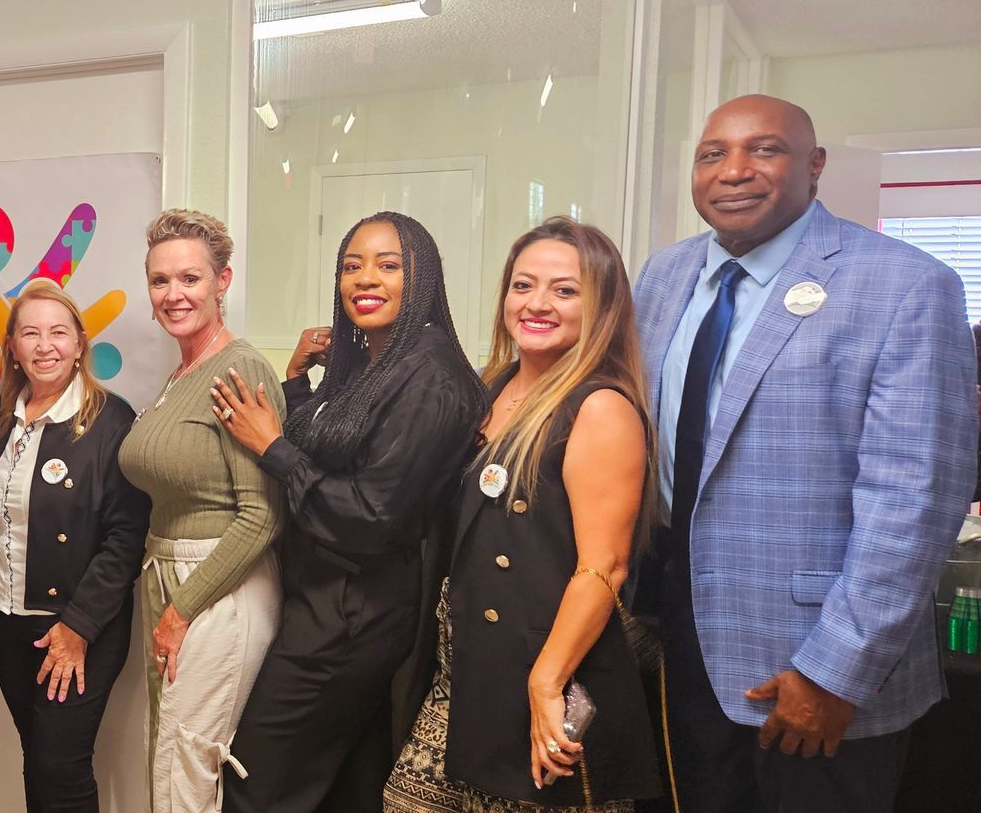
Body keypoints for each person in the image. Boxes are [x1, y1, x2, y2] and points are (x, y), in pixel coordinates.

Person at [631, 95, 977, 812]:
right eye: (711, 153)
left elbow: (915, 500)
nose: (733, 171)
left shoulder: (905, 285)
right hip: (680, 637)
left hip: (812, 661)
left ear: (814, 166)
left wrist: (835, 670)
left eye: (764, 149)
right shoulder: (662, 278)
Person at [211, 211, 486, 811]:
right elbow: (339, 447)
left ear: (423, 280)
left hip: (350, 619)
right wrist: (299, 386)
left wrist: (271, 447)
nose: (366, 279)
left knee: (255, 784)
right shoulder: (378, 362)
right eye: (351, 266)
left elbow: (370, 514)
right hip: (329, 606)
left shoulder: (428, 377)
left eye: (389, 266)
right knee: (343, 788)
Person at [384, 218, 662, 811]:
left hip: (542, 668)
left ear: (602, 307)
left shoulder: (600, 406)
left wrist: (546, 681)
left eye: (564, 291)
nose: (536, 304)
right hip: (463, 669)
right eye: (522, 285)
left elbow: (603, 567)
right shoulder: (490, 386)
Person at [116, 209, 284, 812]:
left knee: (188, 761)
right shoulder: (181, 373)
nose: (173, 294)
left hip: (219, 584)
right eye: (159, 281)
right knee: (167, 756)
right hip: (169, 576)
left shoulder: (239, 368)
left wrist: (182, 609)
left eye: (190, 278)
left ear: (223, 281)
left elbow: (262, 516)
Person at [0, 282, 151, 813]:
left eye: (58, 332)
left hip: (75, 625)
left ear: (81, 344)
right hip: (4, 616)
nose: (44, 345)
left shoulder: (111, 420)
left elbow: (126, 536)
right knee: (39, 756)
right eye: (30, 332)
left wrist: (78, 627)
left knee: (61, 764)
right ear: (11, 346)